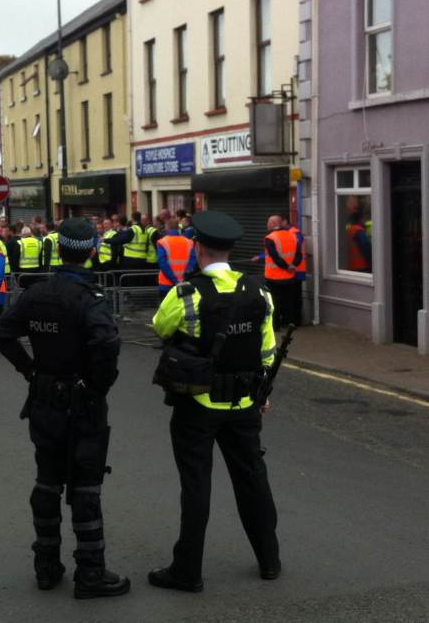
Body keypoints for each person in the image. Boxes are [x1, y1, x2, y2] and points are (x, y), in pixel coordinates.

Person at [0, 218, 130, 599]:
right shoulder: (88, 298)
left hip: (45, 399)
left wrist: (30, 369)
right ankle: (91, 573)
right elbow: (106, 346)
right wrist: (98, 386)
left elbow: (0, 331)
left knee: (47, 479)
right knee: (85, 485)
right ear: (92, 250)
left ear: (58, 249)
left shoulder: (37, 294)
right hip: (82, 403)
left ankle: (47, 566)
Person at [149, 210, 280, 593]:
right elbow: (267, 350)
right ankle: (269, 560)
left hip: (197, 403)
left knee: (196, 486)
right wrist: (262, 395)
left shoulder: (185, 293)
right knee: (253, 480)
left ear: (198, 247)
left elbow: (161, 326)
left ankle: (187, 572)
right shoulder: (259, 291)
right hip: (244, 404)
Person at [262, 215, 302, 331]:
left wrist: (286, 266)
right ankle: (289, 323)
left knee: (274, 302)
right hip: (290, 276)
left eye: (268, 222)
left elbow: (275, 256)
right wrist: (293, 266)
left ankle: (275, 326)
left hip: (273, 277)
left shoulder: (270, 238)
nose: (267, 224)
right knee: (288, 301)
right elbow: (298, 255)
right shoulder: (292, 235)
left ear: (274, 224)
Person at [156, 218, 197, 299]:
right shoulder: (189, 242)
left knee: (167, 310)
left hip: (166, 284)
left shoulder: (162, 242)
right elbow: (193, 262)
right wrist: (184, 278)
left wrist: (175, 281)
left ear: (167, 228)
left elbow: (163, 264)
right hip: (185, 283)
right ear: (178, 228)